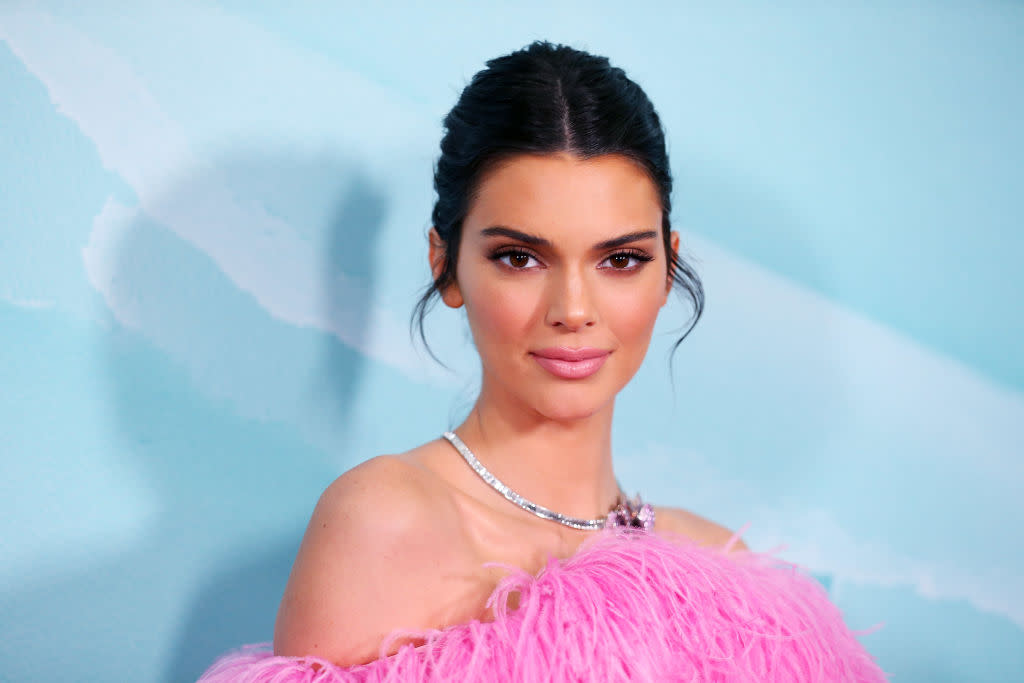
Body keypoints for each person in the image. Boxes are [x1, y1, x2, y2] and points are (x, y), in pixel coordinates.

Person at [197, 40, 887, 681]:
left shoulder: (728, 578)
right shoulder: (387, 521)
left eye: (621, 259)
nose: (574, 308)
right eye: (520, 257)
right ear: (447, 266)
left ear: (668, 267)